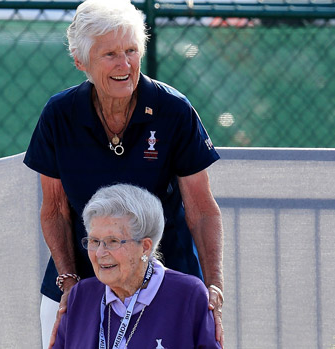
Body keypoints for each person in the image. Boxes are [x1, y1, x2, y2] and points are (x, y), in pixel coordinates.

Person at [23, 0, 224, 347]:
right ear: (80, 61)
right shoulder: (59, 114)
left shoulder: (174, 110)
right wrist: (70, 283)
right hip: (82, 283)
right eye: (111, 54)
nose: (125, 64)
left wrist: (213, 288)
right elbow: (54, 209)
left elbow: (202, 209)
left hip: (166, 283)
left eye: (132, 50)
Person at [53, 184, 221, 348]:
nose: (99, 253)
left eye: (113, 241)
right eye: (94, 241)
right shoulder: (80, 296)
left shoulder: (188, 295)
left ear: (145, 247)